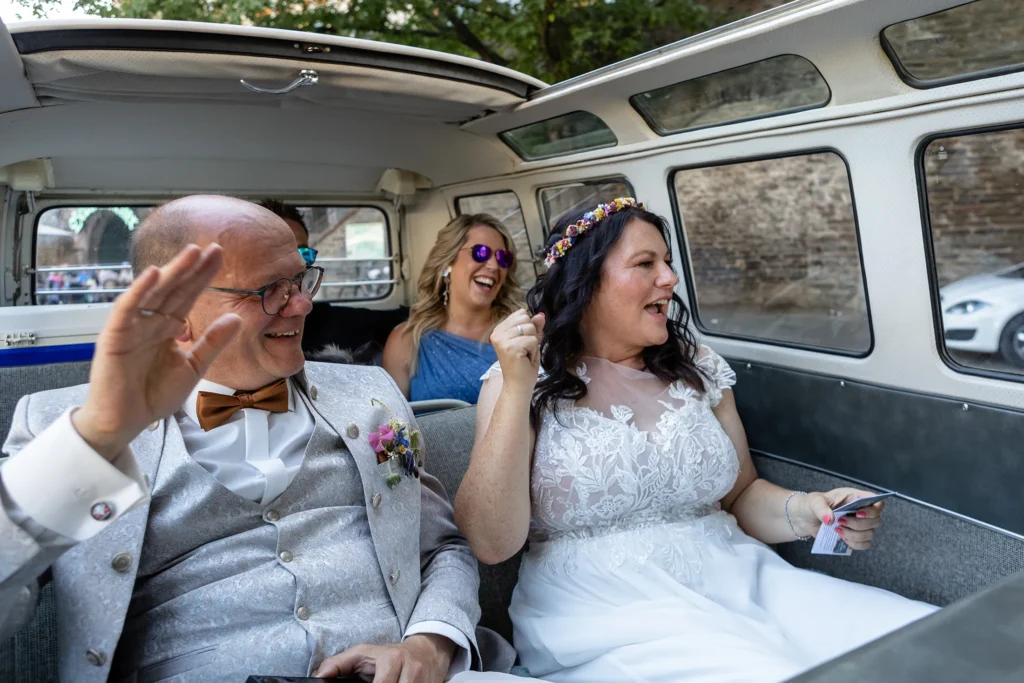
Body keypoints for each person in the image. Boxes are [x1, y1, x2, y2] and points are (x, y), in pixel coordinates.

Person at [0, 196, 516, 682]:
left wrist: (430, 644)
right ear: (176, 311)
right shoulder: (61, 425)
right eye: (270, 289)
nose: (303, 306)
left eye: (301, 280)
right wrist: (99, 435)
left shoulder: (370, 392)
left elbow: (442, 546)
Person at [454, 198, 937, 683]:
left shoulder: (696, 366)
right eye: (646, 264)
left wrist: (812, 511)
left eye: (667, 262)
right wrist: (518, 390)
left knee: (918, 638)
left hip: (740, 577)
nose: (669, 278)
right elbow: (491, 543)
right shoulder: (520, 380)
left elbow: (741, 495)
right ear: (586, 283)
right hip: (604, 612)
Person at [384, 214, 525, 404]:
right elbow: (392, 425)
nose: (493, 265)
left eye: (503, 258)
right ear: (448, 262)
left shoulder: (519, 331)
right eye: (480, 252)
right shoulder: (407, 340)